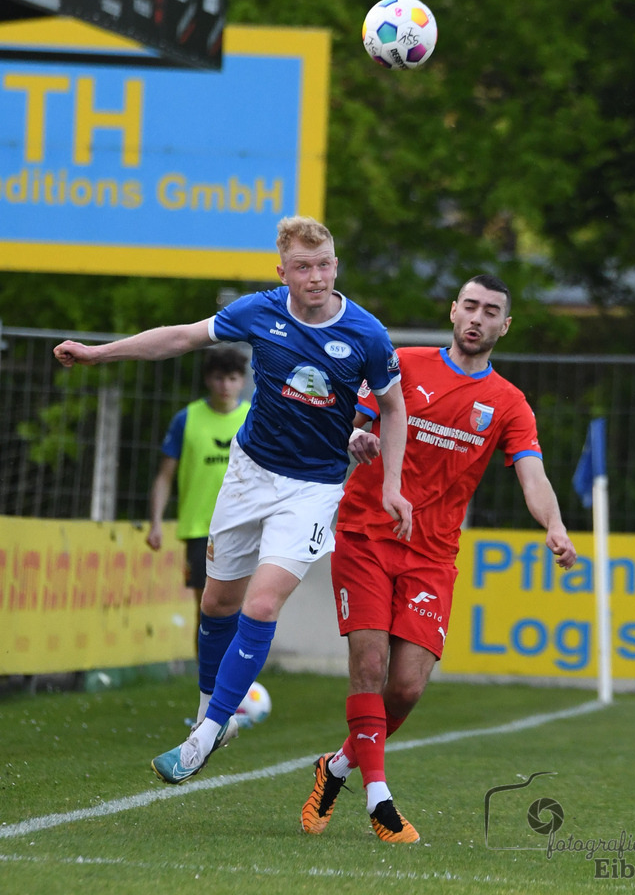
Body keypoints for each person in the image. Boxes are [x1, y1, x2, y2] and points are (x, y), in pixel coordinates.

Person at [53, 216, 412, 802]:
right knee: (216, 601)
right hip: (248, 474)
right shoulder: (259, 311)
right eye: (303, 268)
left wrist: (391, 484)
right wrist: (100, 354)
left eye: (324, 265)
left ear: (336, 266)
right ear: (283, 272)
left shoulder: (367, 335)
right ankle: (206, 715)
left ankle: (206, 735)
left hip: (313, 488)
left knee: (263, 600)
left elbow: (393, 409)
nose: (316, 278)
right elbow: (180, 337)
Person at [301, 274, 578, 845]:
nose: (478, 317)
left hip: (432, 555)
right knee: (370, 666)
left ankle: (336, 769)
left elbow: (534, 475)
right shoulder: (401, 364)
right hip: (367, 533)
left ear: (505, 325)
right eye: (470, 305)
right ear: (453, 312)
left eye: (491, 311)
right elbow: (346, 425)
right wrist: (356, 439)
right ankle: (381, 801)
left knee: (404, 688)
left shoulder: (508, 403)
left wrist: (553, 524)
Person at [145, 344, 250, 648]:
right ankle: (207, 688)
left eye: (231, 379)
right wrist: (155, 523)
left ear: (242, 381)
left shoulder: (254, 417)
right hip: (200, 529)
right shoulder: (186, 419)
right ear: (208, 380)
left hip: (246, 524)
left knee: (244, 609)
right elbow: (165, 476)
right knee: (207, 609)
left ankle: (235, 684)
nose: (225, 386)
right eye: (219, 378)